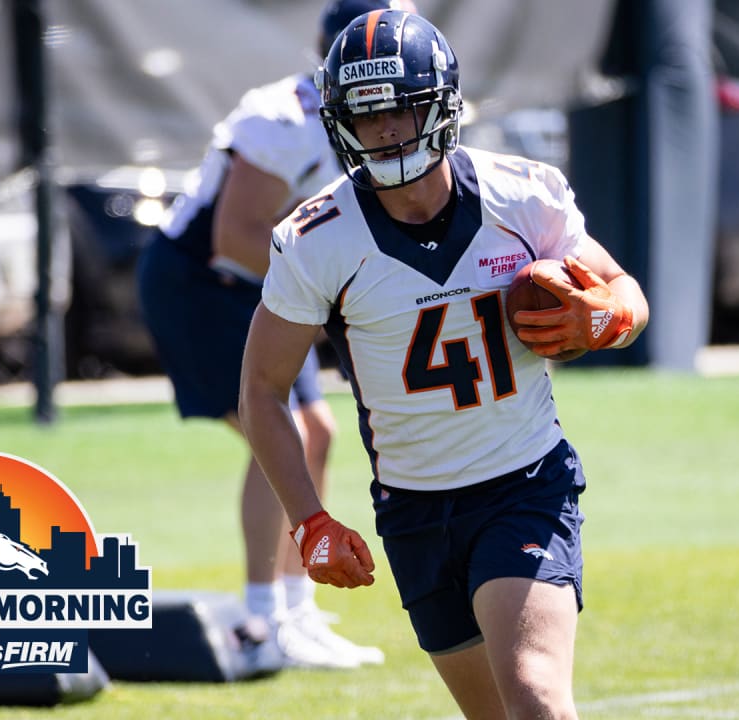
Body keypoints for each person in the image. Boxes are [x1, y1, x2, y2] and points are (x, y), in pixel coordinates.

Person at [239, 9, 648, 717]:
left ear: (443, 104)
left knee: (537, 698)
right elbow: (263, 387)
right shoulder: (317, 238)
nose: (387, 129)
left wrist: (605, 318)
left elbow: (625, 292)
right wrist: (308, 521)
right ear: (341, 123)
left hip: (524, 486)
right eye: (367, 115)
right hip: (414, 509)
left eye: (403, 107)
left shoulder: (523, 194)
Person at [136, 0, 410, 670]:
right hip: (204, 284)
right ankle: (262, 617)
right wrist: (340, 289)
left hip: (268, 284)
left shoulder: (366, 118)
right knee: (275, 437)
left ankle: (295, 607)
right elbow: (234, 238)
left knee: (317, 433)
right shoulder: (284, 118)